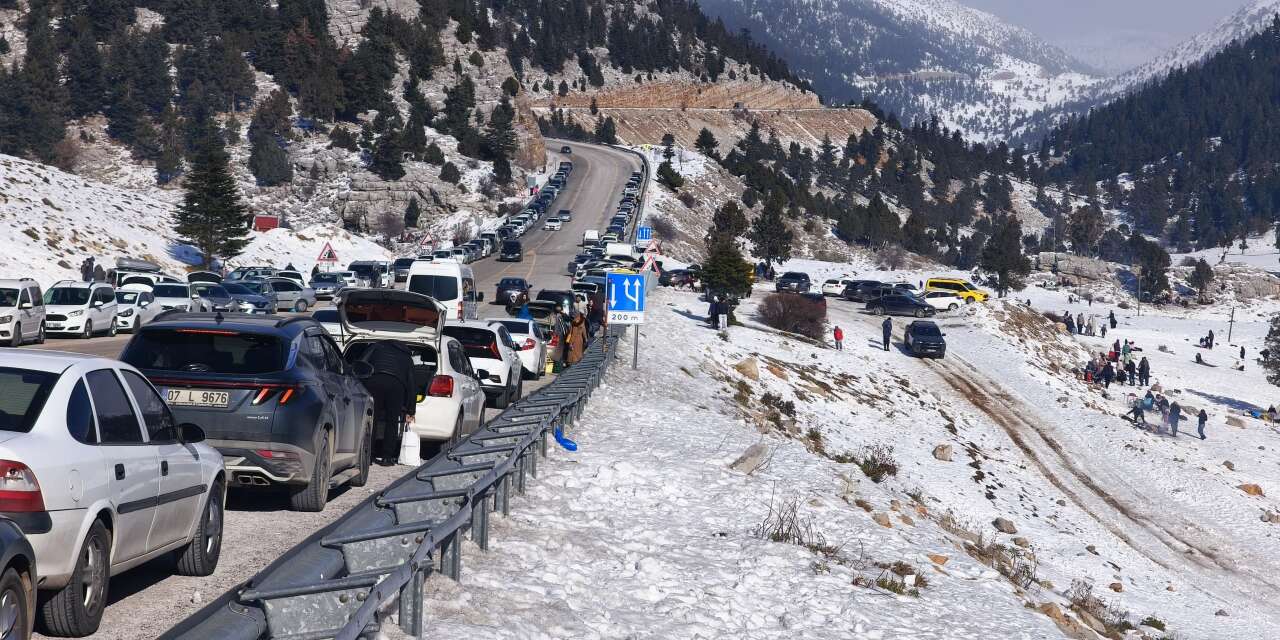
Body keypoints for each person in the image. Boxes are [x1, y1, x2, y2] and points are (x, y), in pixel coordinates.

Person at [358, 341, 417, 465]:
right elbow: (412, 385)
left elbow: (360, 364)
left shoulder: (375, 347)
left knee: (372, 419)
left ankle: (368, 455)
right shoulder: (407, 357)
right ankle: (387, 457)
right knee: (392, 421)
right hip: (396, 386)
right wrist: (410, 410)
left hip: (375, 381)